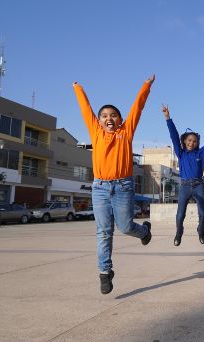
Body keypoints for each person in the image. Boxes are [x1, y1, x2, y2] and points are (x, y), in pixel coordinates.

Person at [73, 75, 154, 295]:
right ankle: (104, 272)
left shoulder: (125, 133)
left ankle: (144, 231)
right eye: (104, 116)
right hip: (99, 188)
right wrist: (77, 87)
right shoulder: (96, 133)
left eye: (113, 115)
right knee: (103, 231)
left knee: (126, 227)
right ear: (99, 121)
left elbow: (138, 107)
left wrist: (146, 85)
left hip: (123, 187)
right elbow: (85, 108)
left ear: (120, 119)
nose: (109, 119)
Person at [163, 105, 204, 246]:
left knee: (202, 212)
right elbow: (174, 136)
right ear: (184, 142)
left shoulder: (201, 153)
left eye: (194, 141)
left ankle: (200, 230)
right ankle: (179, 233)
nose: (191, 143)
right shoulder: (181, 153)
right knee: (180, 214)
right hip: (184, 186)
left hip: (198, 185)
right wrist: (168, 118)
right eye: (189, 140)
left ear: (197, 143)